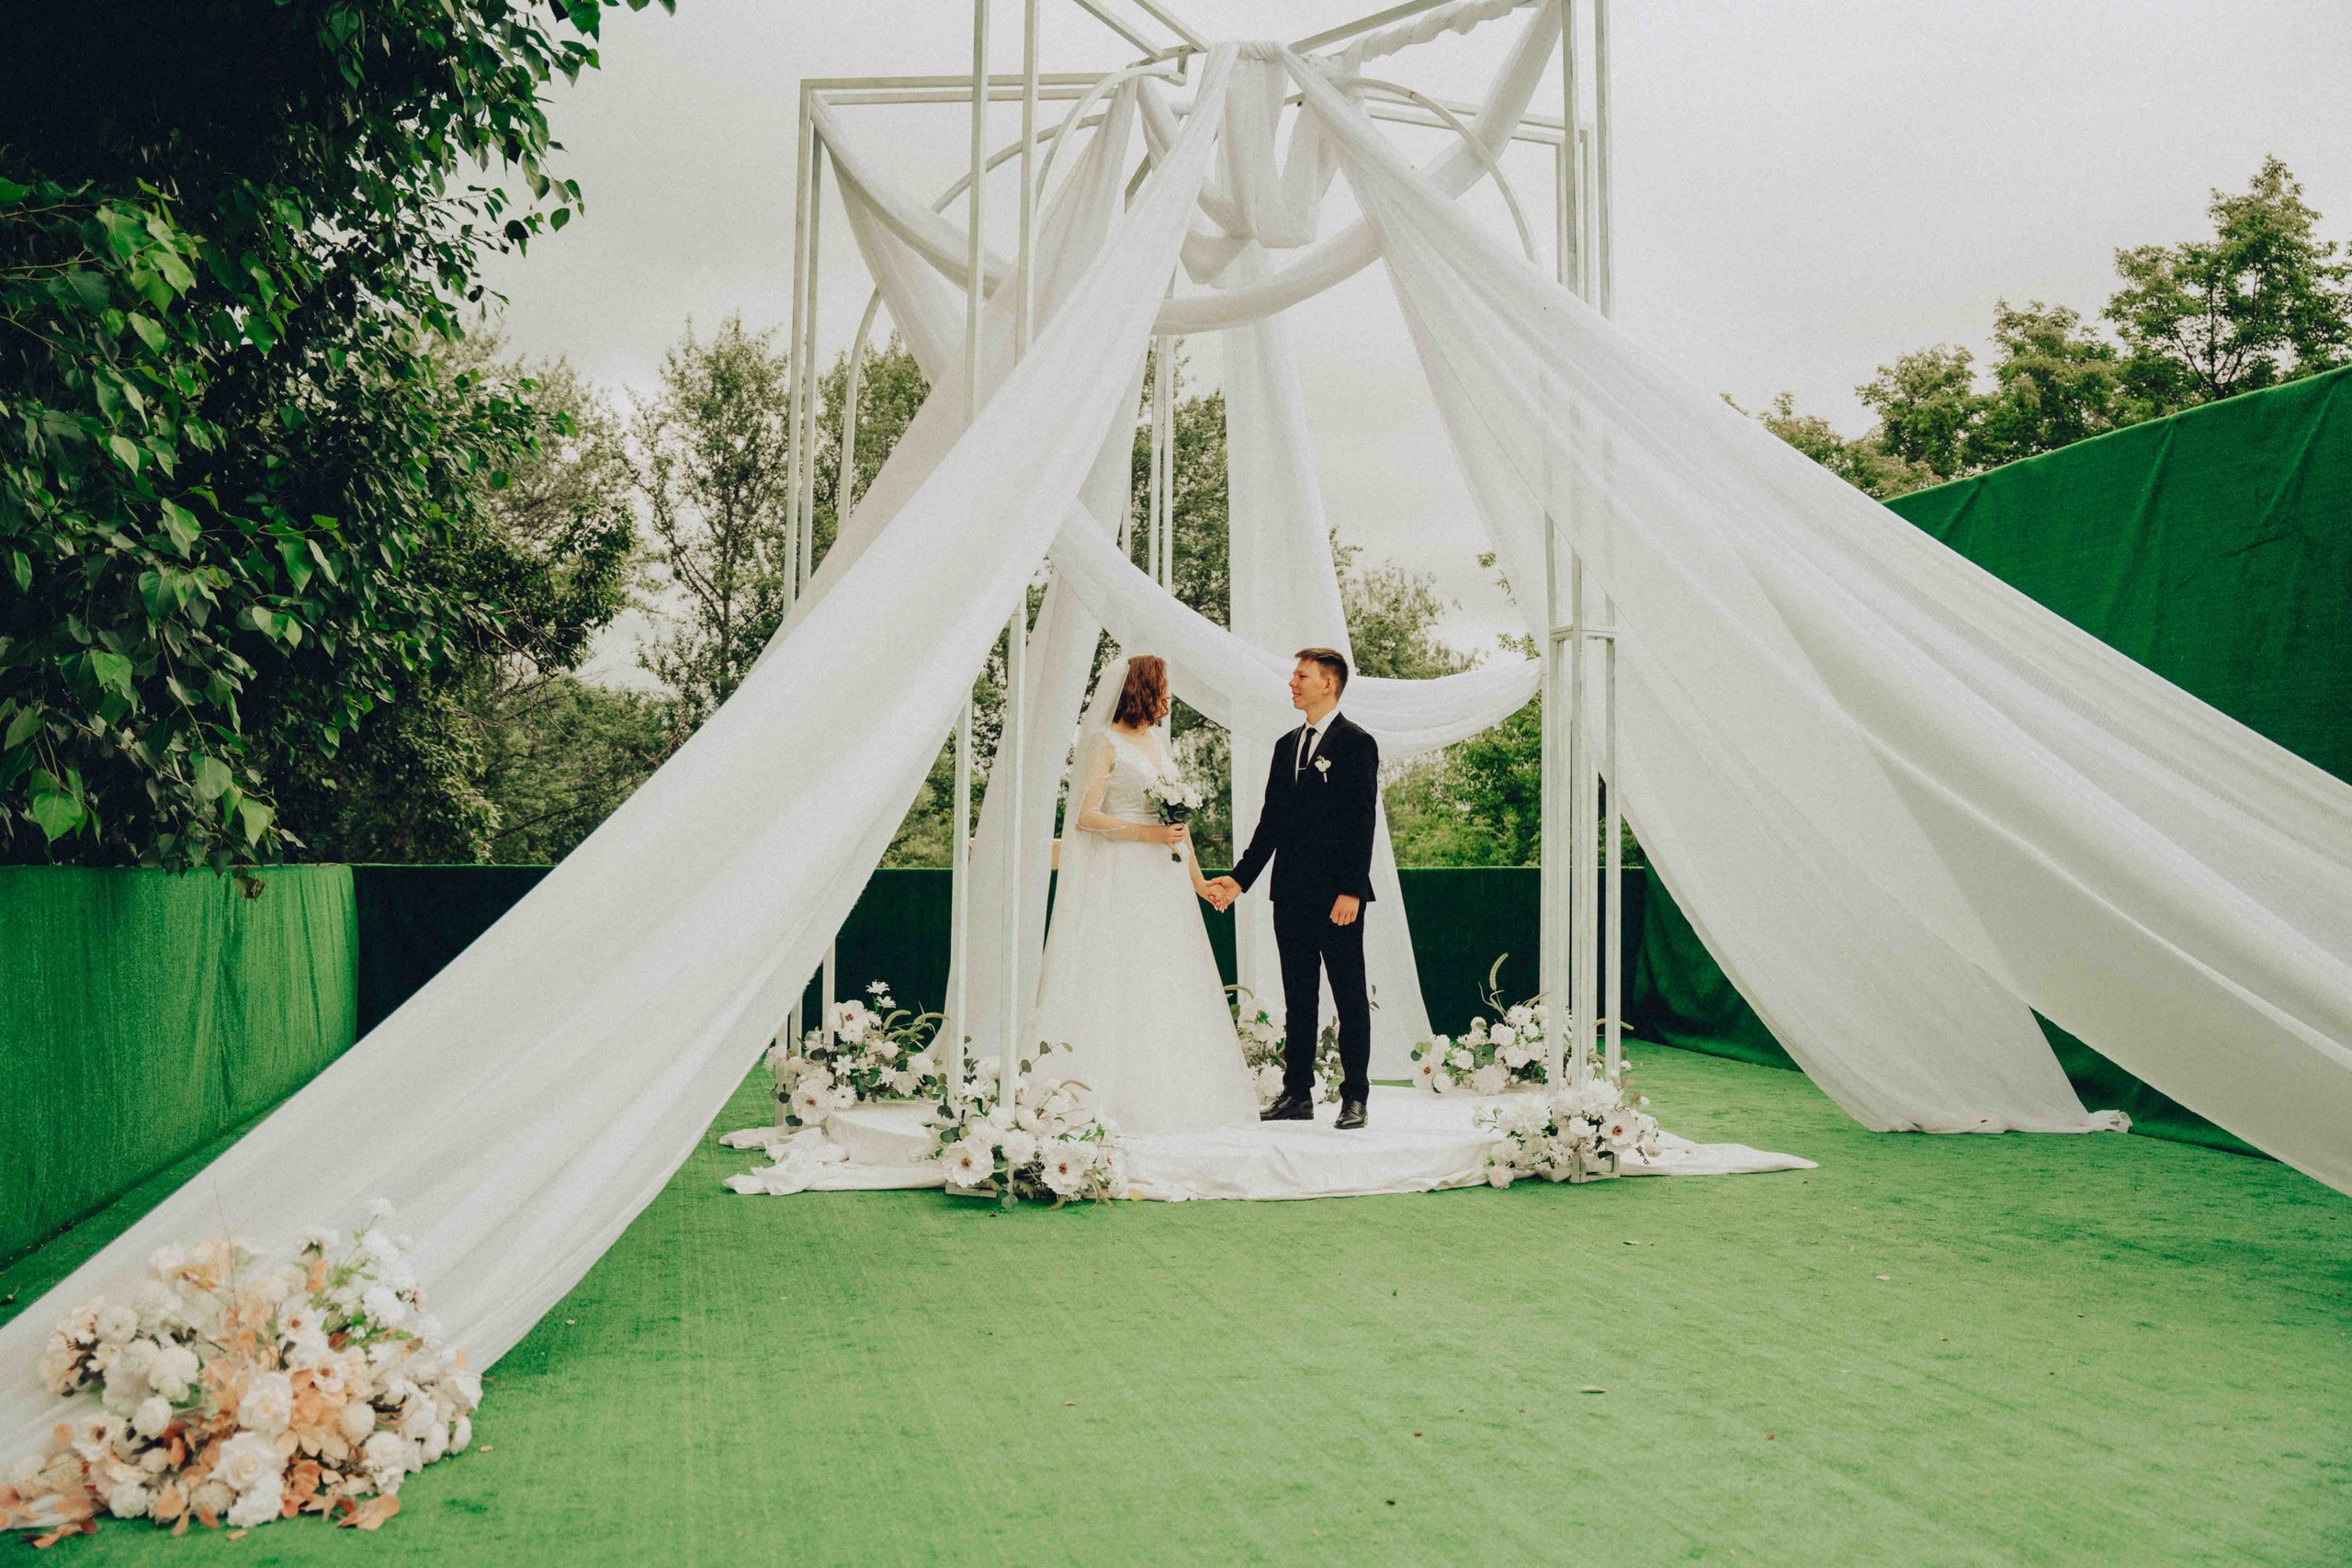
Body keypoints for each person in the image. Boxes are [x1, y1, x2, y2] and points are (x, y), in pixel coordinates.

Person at [1027, 654, 1259, 1136]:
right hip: (1122, 872)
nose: (1170, 696)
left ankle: (1170, 1096)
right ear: (1143, 688)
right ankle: (1106, 1095)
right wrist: (1146, 835)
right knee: (1120, 974)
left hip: (1164, 879)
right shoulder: (1103, 742)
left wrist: (1198, 883)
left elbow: (1176, 826)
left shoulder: (1158, 742)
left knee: (1166, 976)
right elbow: (1086, 817)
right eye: (1165, 686)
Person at [1207, 648, 1379, 1130]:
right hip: (1290, 894)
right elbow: (1272, 824)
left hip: (1338, 898)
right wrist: (1240, 880)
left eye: (1300, 676)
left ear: (1328, 683)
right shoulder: (1286, 745)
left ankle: (1356, 1098)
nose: (1292, 683)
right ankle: (1296, 1093)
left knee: (1348, 996)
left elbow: (1361, 822)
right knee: (1298, 996)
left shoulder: (1356, 743)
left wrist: (1350, 890)